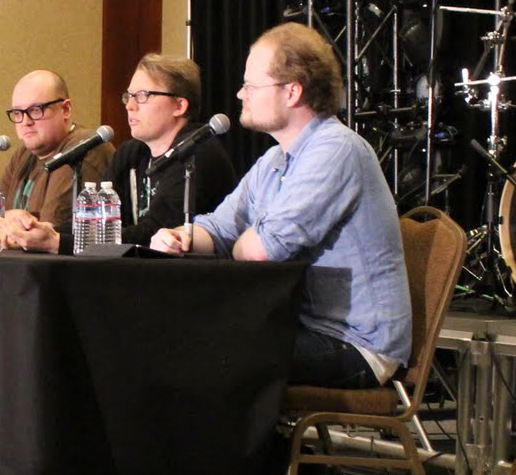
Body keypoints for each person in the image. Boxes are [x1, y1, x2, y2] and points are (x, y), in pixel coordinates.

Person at [152, 23, 410, 390]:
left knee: (207, 351)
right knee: (177, 336)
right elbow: (222, 228)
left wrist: (244, 242)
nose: (240, 93)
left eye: (251, 86)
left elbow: (263, 251)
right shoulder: (274, 160)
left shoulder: (336, 149)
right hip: (304, 327)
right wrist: (183, 236)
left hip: (357, 344)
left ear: (292, 91)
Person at [108, 53, 239, 245]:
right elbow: (101, 220)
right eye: (129, 96)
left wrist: (69, 241)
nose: (130, 105)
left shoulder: (197, 152)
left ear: (179, 106)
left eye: (143, 96)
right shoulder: (131, 154)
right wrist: (61, 236)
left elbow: (156, 232)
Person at [0, 69, 114, 251]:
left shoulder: (83, 149)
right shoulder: (24, 153)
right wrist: (4, 224)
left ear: (66, 110)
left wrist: (4, 227)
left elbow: (44, 235)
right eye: (18, 113)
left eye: (36, 110)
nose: (25, 122)